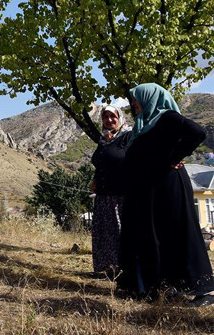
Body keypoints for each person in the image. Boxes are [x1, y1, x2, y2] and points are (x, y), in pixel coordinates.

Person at [118, 83, 214, 305]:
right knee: (158, 237)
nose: (133, 104)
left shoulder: (167, 117)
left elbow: (197, 132)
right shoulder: (143, 125)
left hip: (169, 187)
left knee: (180, 231)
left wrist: (174, 156)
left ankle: (204, 290)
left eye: (136, 99)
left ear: (149, 97)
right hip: (150, 190)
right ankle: (165, 285)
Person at [90, 105, 131, 277]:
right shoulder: (104, 139)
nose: (109, 120)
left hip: (120, 194)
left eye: (113, 117)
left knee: (119, 232)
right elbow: (101, 162)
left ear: (120, 118)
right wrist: (95, 178)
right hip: (103, 194)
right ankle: (108, 269)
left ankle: (124, 269)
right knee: (104, 232)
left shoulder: (128, 137)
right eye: (105, 117)